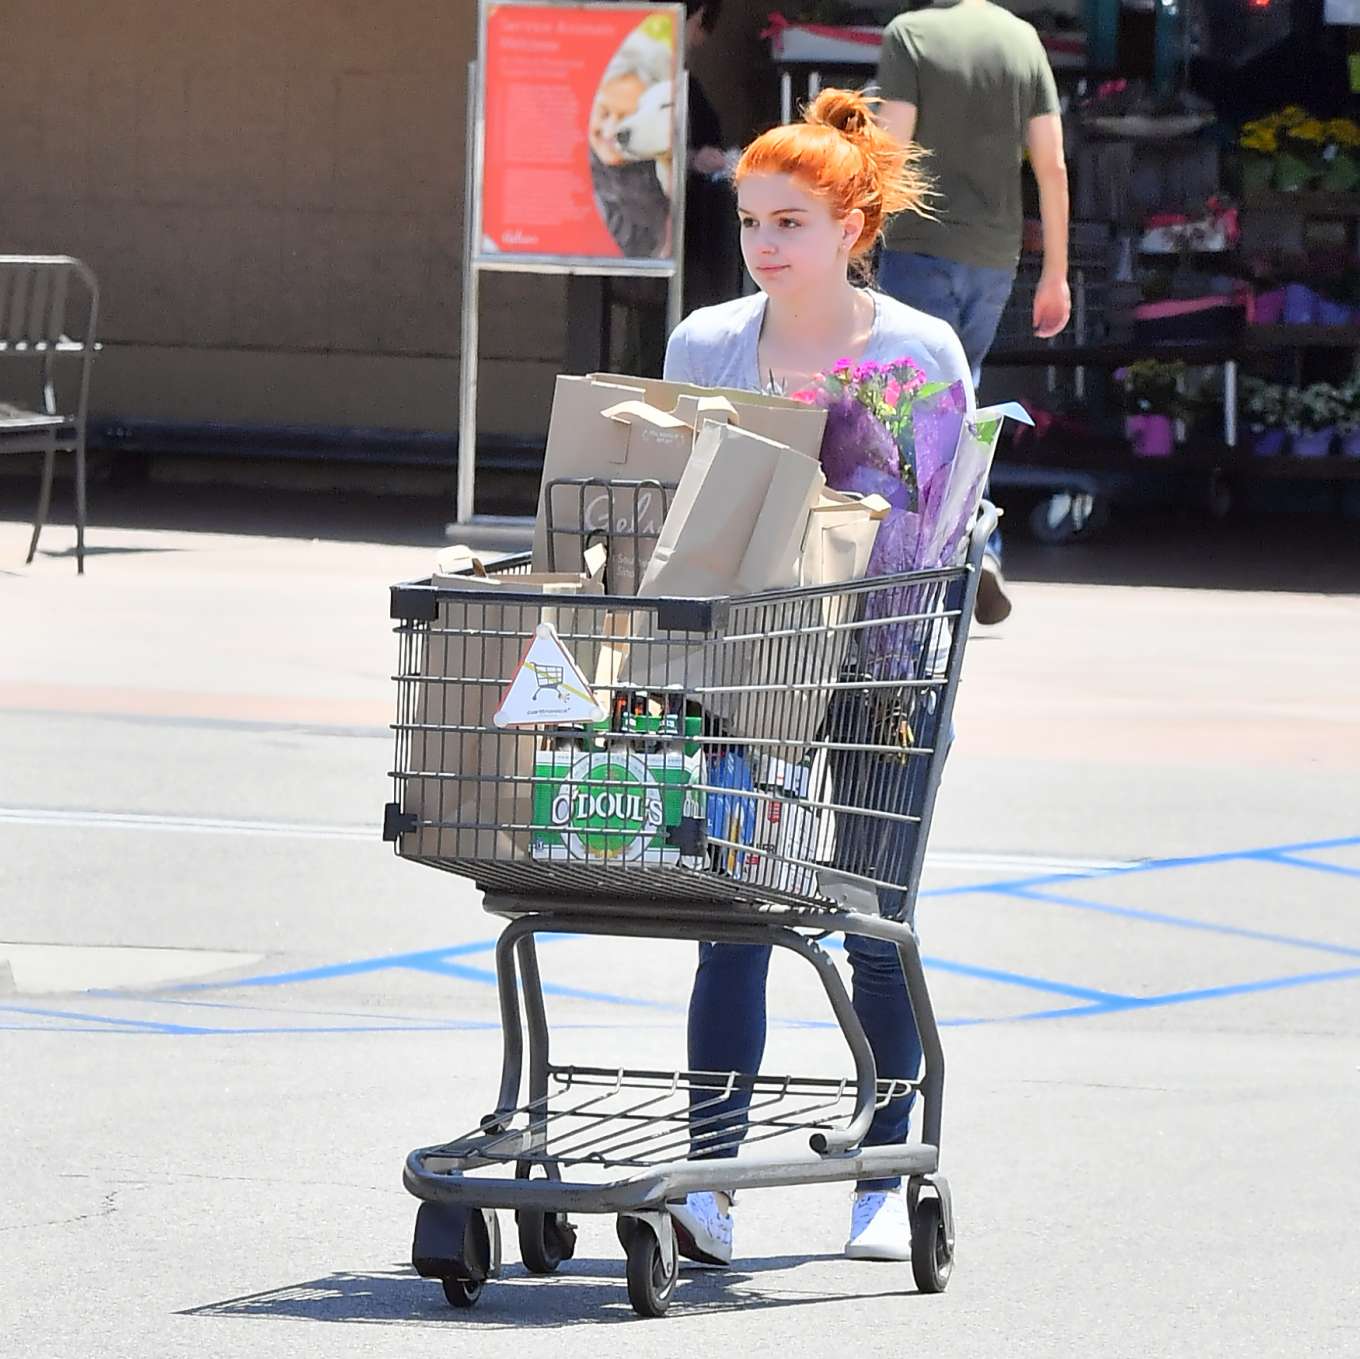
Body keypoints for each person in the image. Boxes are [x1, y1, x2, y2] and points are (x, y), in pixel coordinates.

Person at [661, 87, 972, 1266]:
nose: (765, 244)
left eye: (790, 220)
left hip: (878, 660)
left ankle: (880, 1171)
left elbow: (943, 524)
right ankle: (708, 1177)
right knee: (731, 920)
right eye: (749, 221)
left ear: (852, 225)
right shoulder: (707, 341)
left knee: (866, 920)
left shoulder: (915, 348)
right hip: (744, 660)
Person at [876, 0, 1072, 624]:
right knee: (962, 399)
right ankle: (974, 542)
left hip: (917, 246)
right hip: (994, 258)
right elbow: (1052, 165)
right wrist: (1056, 275)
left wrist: (855, 237)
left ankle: (938, 555)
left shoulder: (910, 35)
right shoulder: (1022, 42)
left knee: (909, 408)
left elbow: (892, 146)